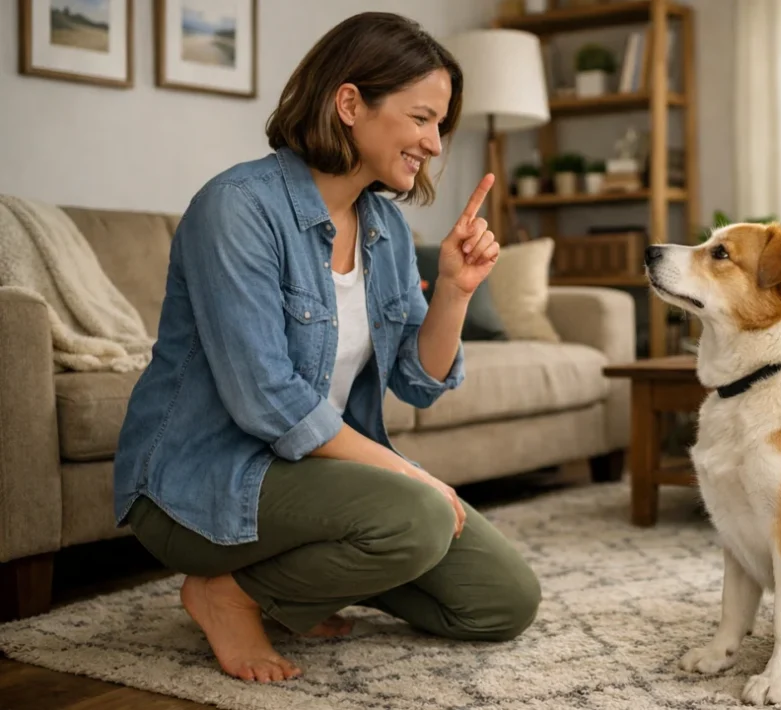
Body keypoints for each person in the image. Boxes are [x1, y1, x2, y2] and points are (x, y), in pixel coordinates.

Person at [112, 11, 540, 683]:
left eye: (440, 126)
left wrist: (455, 289)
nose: (433, 144)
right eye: (422, 118)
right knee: (420, 514)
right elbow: (267, 402)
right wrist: (408, 476)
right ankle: (225, 593)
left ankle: (294, 581)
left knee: (503, 601)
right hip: (199, 484)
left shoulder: (385, 229)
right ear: (349, 103)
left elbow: (416, 382)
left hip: (314, 486)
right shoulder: (238, 207)